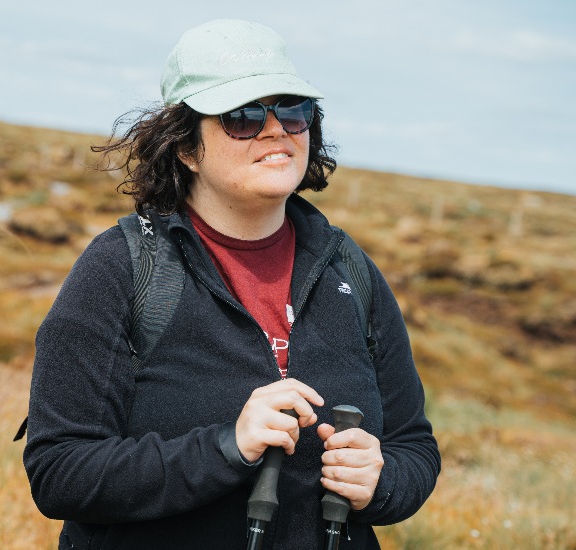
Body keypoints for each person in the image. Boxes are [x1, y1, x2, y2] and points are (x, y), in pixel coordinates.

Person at [22, 19, 440, 549]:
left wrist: (381, 482)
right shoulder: (123, 268)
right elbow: (59, 471)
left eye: (293, 109)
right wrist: (226, 447)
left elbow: (414, 447)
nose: (275, 130)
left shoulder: (349, 270)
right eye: (241, 116)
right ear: (185, 147)